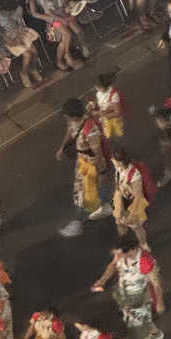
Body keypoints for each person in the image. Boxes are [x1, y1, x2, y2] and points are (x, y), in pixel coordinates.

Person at [91, 232, 164, 339]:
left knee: (139, 335)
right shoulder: (121, 253)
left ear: (133, 249)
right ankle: (155, 333)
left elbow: (156, 283)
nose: (119, 256)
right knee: (139, 323)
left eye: (122, 253)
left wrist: (159, 303)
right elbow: (112, 265)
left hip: (140, 299)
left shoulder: (145, 261)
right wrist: (102, 280)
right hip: (125, 295)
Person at [55, 97, 112, 237]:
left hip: (91, 164)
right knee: (87, 192)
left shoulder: (90, 130)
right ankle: (105, 206)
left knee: (83, 195)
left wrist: (102, 171)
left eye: (67, 116)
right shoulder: (76, 121)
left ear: (74, 116)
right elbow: (70, 131)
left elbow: (98, 153)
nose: (65, 118)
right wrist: (62, 148)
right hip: (83, 162)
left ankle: (77, 223)